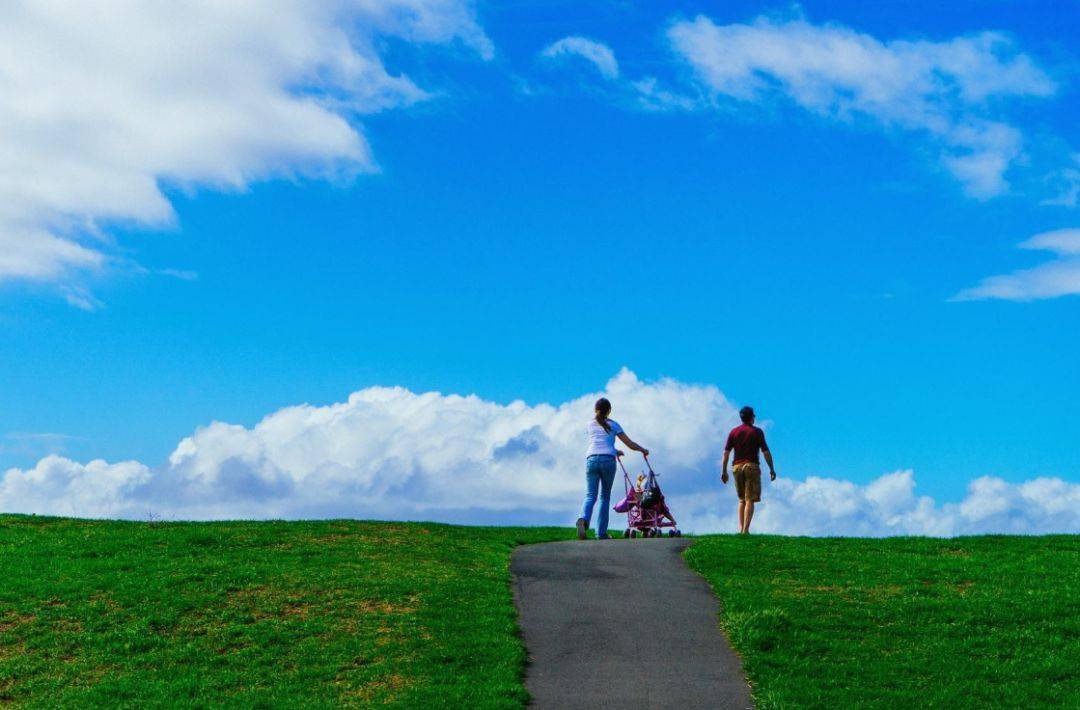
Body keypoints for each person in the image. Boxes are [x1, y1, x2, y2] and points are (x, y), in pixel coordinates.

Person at [577, 397, 650, 540]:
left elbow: (599, 442)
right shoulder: (614, 425)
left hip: (591, 459)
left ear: (595, 409)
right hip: (608, 462)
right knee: (604, 496)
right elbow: (629, 444)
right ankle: (601, 533)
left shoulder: (589, 424)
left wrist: (614, 450)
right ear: (609, 411)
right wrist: (643, 450)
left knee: (590, 495)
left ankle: (583, 519)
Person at [721, 406, 776, 534]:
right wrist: (772, 469)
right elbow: (765, 452)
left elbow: (726, 453)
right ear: (752, 417)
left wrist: (724, 471)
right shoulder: (757, 432)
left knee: (741, 499)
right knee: (750, 499)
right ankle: (745, 530)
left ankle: (741, 529)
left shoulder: (733, 432)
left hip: (737, 468)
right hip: (751, 467)